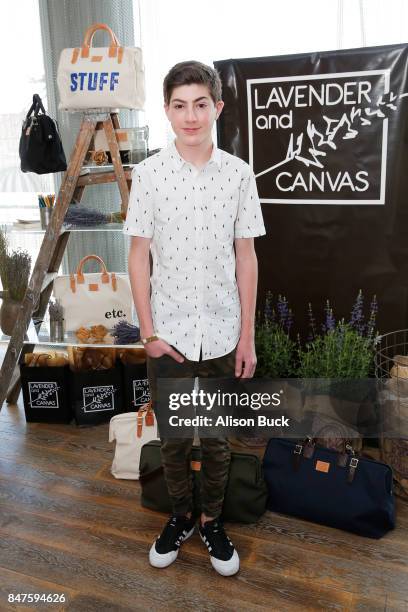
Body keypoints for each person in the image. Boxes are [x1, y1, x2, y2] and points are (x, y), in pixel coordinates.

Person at [124, 60, 266, 577]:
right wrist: (148, 333)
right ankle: (181, 516)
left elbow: (246, 256)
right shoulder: (149, 174)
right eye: (179, 105)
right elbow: (138, 255)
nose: (190, 116)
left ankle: (211, 521)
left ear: (217, 108)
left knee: (220, 439)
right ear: (167, 110)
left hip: (225, 332)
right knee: (177, 440)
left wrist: (247, 336)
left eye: (200, 104)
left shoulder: (238, 174)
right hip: (171, 337)